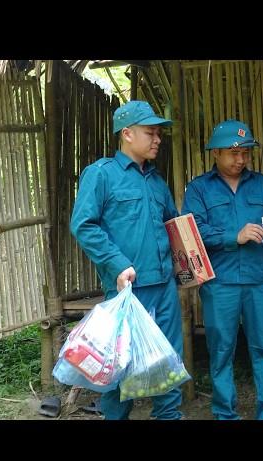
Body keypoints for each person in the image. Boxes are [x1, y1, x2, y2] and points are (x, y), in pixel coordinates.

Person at [182, 119, 263, 420]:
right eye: (232, 153)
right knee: (221, 351)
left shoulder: (262, 184)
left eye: (246, 153)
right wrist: (233, 237)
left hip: (258, 281)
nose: (240, 159)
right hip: (220, 283)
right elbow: (193, 231)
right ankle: (225, 413)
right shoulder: (199, 189)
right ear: (215, 152)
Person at [70, 100, 184, 420]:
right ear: (127, 134)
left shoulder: (157, 181)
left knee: (168, 360)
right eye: (151, 132)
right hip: (127, 290)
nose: (157, 139)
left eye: (159, 133)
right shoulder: (101, 175)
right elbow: (84, 225)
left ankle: (168, 416)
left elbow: (174, 228)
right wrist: (118, 263)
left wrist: (188, 268)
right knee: (120, 365)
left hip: (165, 287)